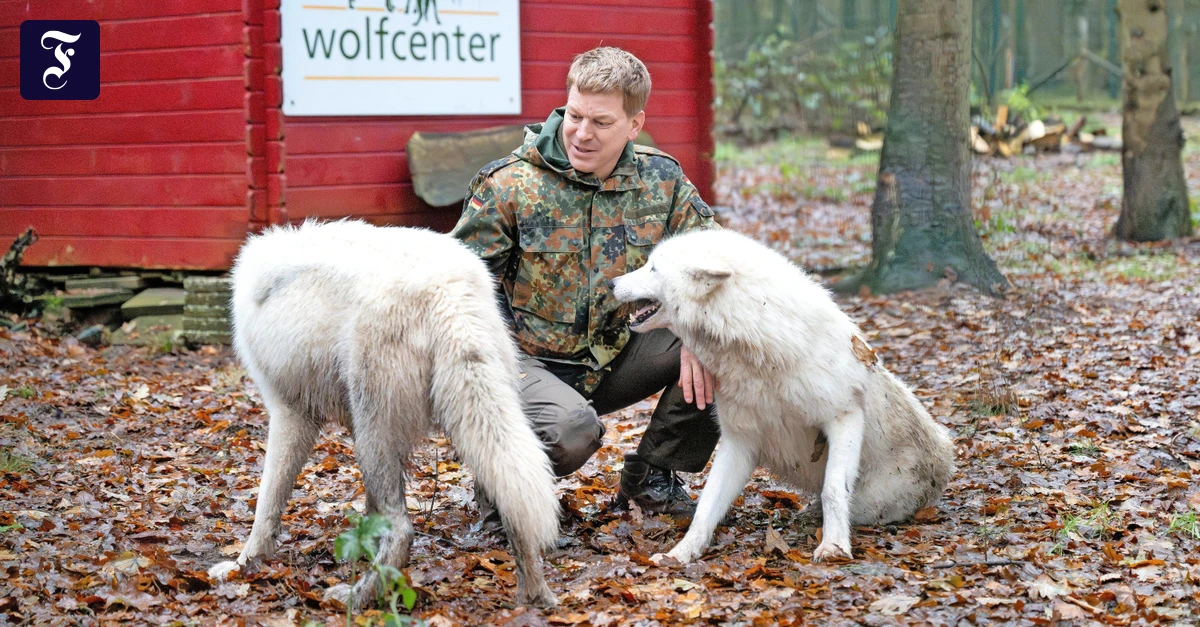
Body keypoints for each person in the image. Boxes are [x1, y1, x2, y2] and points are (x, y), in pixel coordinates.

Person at [451, 46, 718, 522]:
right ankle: (502, 487)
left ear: (634, 125)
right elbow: (452, 289)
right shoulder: (511, 185)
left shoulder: (663, 182)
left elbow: (715, 261)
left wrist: (701, 331)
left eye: (601, 122)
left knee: (728, 340)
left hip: (615, 355)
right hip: (525, 366)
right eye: (574, 115)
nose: (581, 133)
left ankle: (652, 479)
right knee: (572, 430)